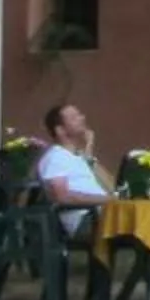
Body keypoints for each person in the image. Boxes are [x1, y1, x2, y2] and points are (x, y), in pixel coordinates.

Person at [34, 101, 113, 239]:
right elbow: (61, 196)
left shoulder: (78, 157)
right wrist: (106, 200)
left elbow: (112, 186)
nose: (82, 118)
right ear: (60, 130)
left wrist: (89, 153)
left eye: (80, 115)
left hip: (103, 214)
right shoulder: (55, 157)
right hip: (86, 220)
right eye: (74, 117)